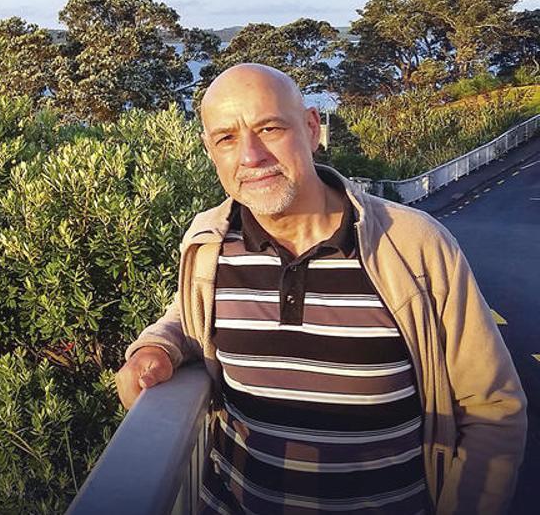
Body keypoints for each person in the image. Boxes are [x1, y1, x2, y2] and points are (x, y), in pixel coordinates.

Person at [115, 63, 526, 514]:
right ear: (210, 150)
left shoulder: (411, 244)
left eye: (269, 128)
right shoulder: (210, 242)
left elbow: (492, 407)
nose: (251, 156)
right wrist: (155, 347)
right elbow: (191, 314)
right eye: (226, 138)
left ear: (312, 128)